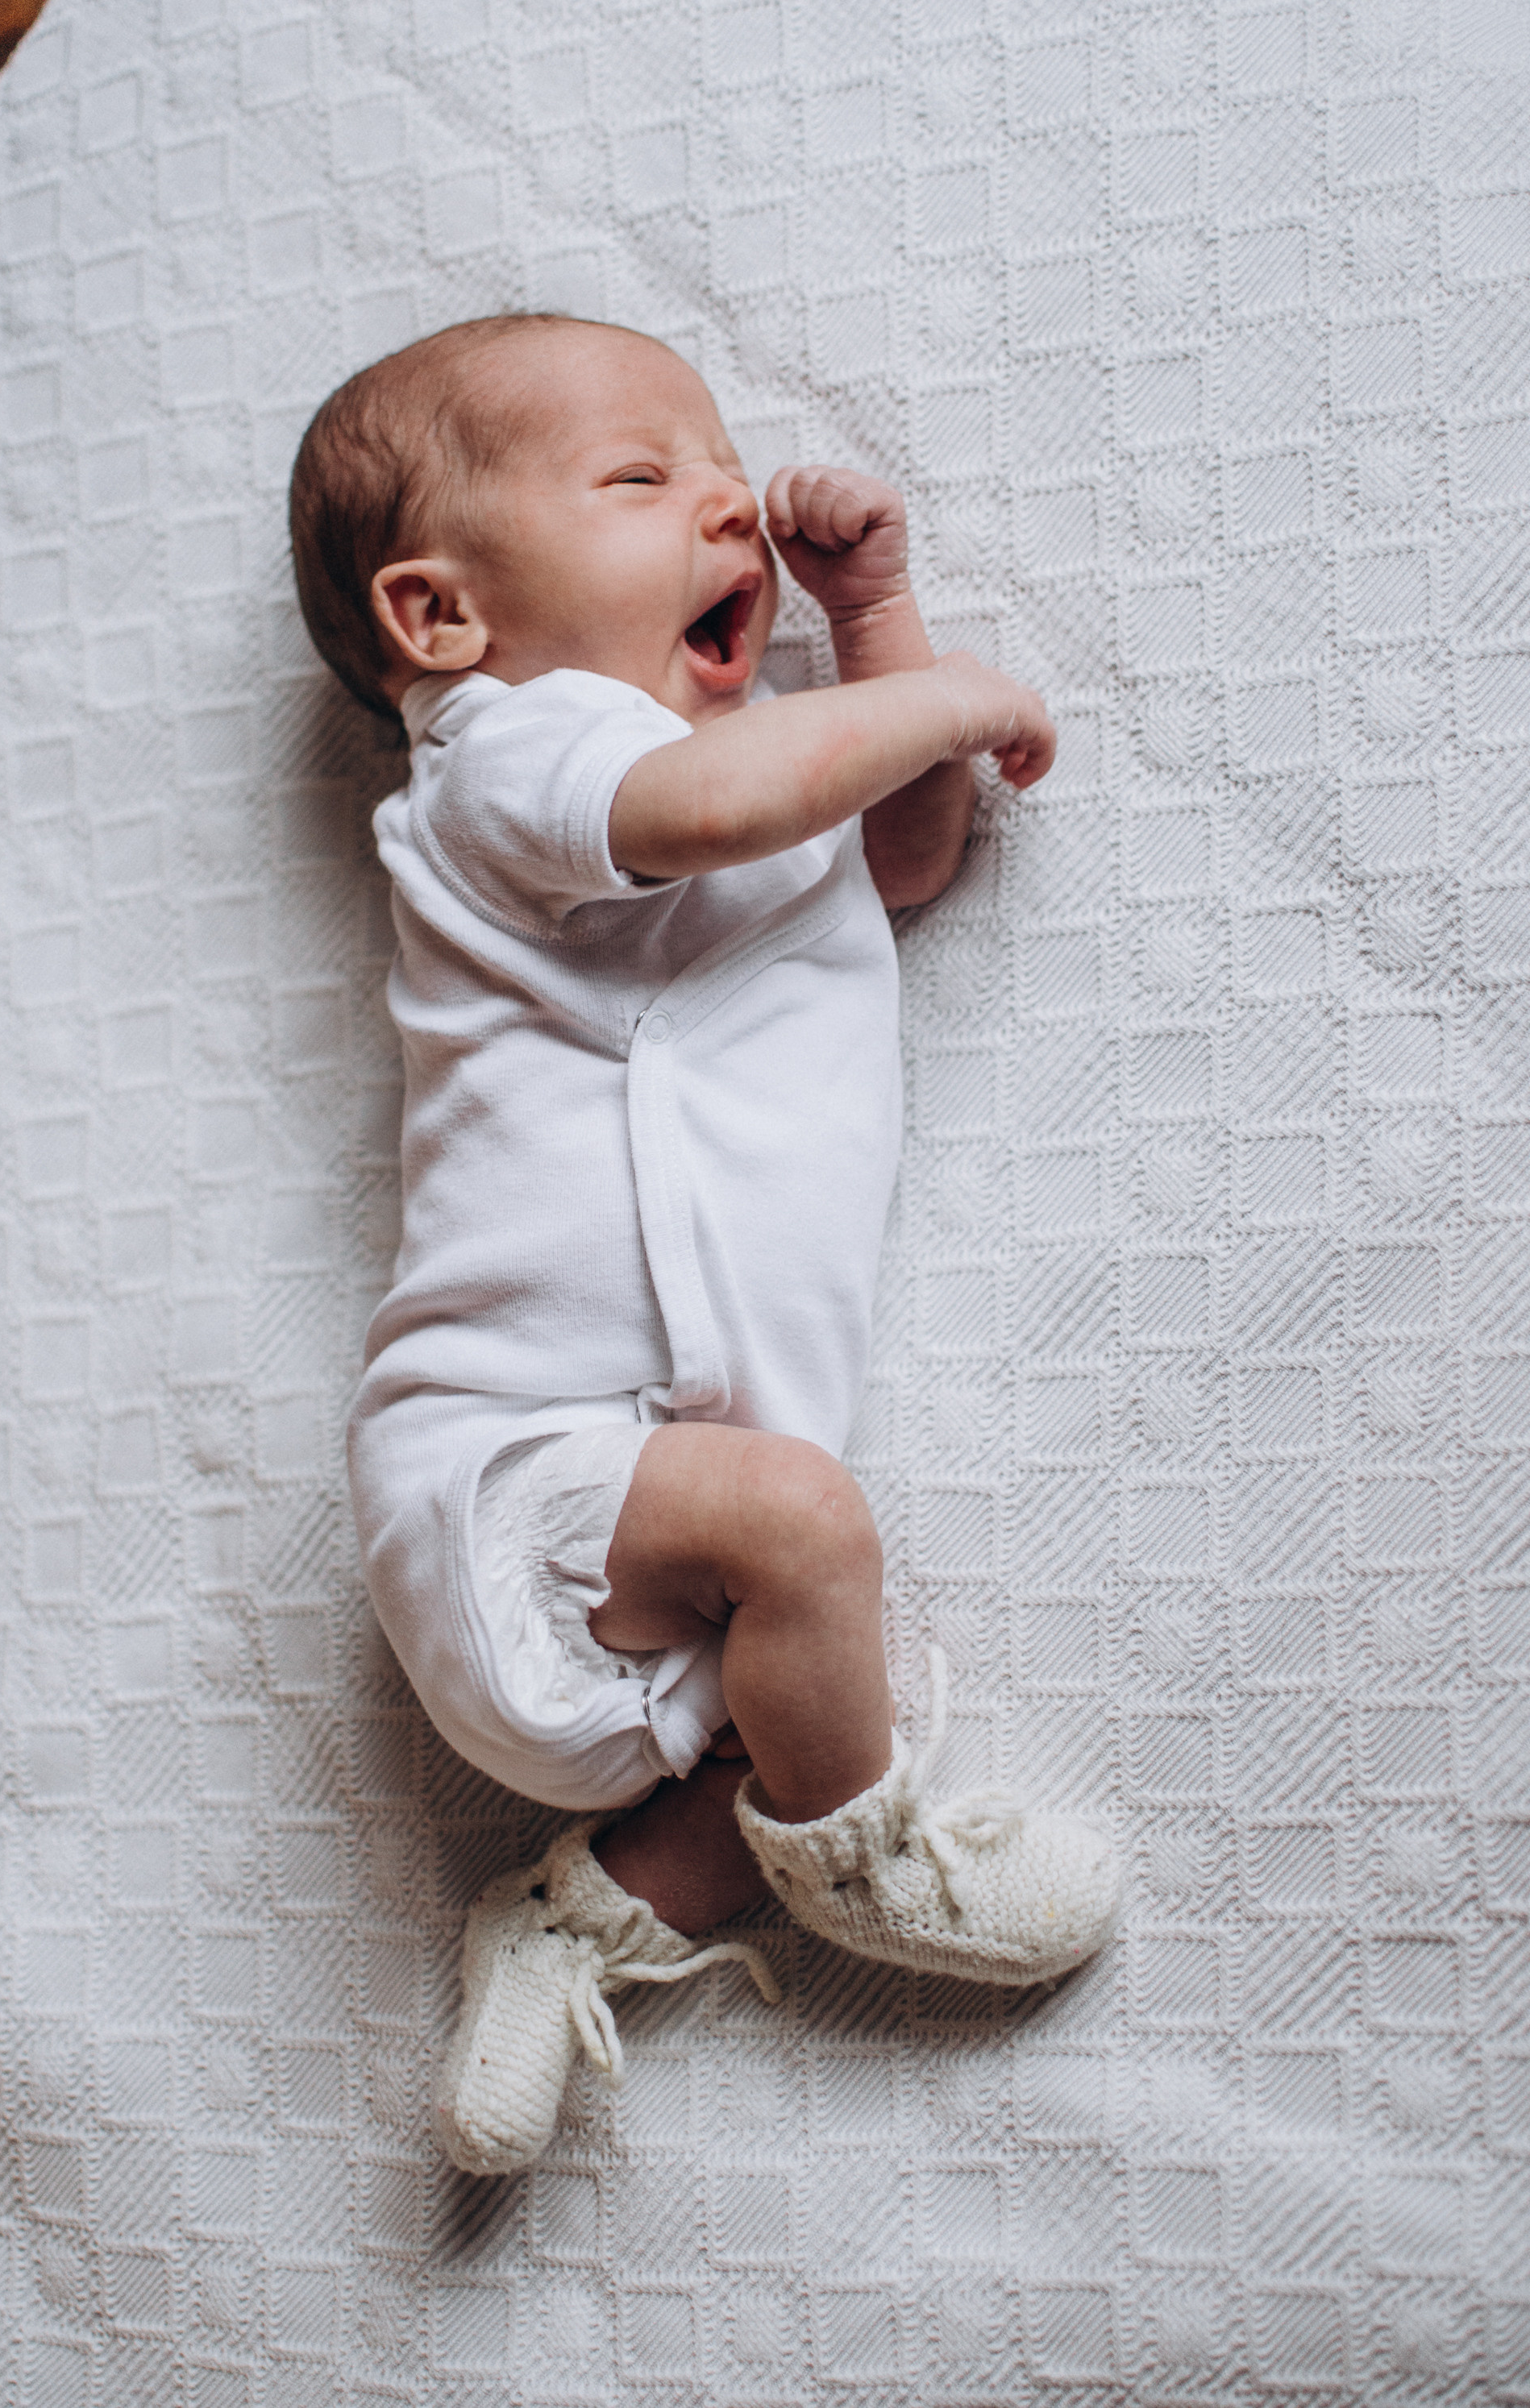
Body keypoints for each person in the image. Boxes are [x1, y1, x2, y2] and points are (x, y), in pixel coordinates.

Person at [289, 313, 1120, 2175]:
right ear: (439, 616)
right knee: (808, 1532)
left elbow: (895, 859)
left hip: (659, 1550)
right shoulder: (506, 757)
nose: (729, 503)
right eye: (642, 477)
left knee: (784, 1681)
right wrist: (948, 696)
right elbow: (722, 803)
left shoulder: (724, 780)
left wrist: (873, 617)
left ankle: (575, 1920)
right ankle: (867, 1862)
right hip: (510, 1469)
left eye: (728, 469)